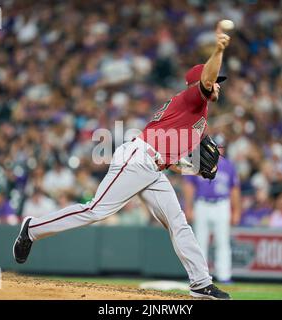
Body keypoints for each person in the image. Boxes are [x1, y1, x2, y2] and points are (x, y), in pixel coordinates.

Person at [13, 22, 232, 300]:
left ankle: (201, 282)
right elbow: (206, 78)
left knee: (178, 222)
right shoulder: (192, 98)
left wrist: (193, 170)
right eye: (215, 81)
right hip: (137, 159)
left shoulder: (197, 116)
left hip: (153, 169)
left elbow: (173, 161)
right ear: (200, 83)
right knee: (95, 210)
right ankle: (32, 229)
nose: (217, 86)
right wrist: (219, 49)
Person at [183, 150, 241, 284]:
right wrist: (189, 207)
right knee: (199, 243)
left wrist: (237, 210)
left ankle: (224, 276)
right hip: (202, 204)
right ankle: (198, 277)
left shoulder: (228, 165)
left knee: (223, 242)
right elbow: (189, 186)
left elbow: (234, 189)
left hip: (222, 204)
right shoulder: (197, 162)